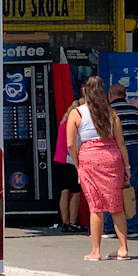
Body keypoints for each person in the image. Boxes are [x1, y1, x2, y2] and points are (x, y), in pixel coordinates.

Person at [67, 76, 131, 261]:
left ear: (85, 92)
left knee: (96, 206)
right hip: (112, 157)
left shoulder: (76, 113)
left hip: (89, 158)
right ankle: (123, 248)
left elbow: (71, 144)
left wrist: (78, 166)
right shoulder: (111, 113)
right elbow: (121, 142)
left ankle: (96, 251)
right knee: (116, 204)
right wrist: (126, 166)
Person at [106, 83, 138, 239]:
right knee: (131, 187)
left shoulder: (108, 111)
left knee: (111, 187)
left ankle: (110, 227)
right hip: (133, 149)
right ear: (124, 94)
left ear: (111, 95)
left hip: (112, 150)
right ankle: (131, 226)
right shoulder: (135, 111)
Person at [54, 97, 83, 233]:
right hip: (71, 160)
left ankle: (64, 222)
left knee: (64, 192)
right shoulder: (76, 123)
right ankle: (73, 223)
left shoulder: (63, 122)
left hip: (59, 160)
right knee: (76, 193)